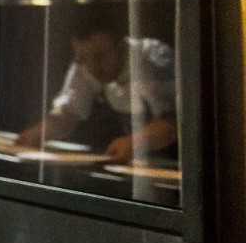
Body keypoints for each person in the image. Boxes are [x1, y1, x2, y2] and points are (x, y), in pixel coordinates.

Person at [14, 11, 177, 164]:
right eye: (84, 58)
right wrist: (38, 133)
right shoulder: (86, 65)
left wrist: (134, 143)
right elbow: (69, 113)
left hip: (175, 161)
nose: (93, 68)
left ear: (122, 47)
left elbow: (172, 123)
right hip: (138, 163)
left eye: (100, 56)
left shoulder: (150, 61)